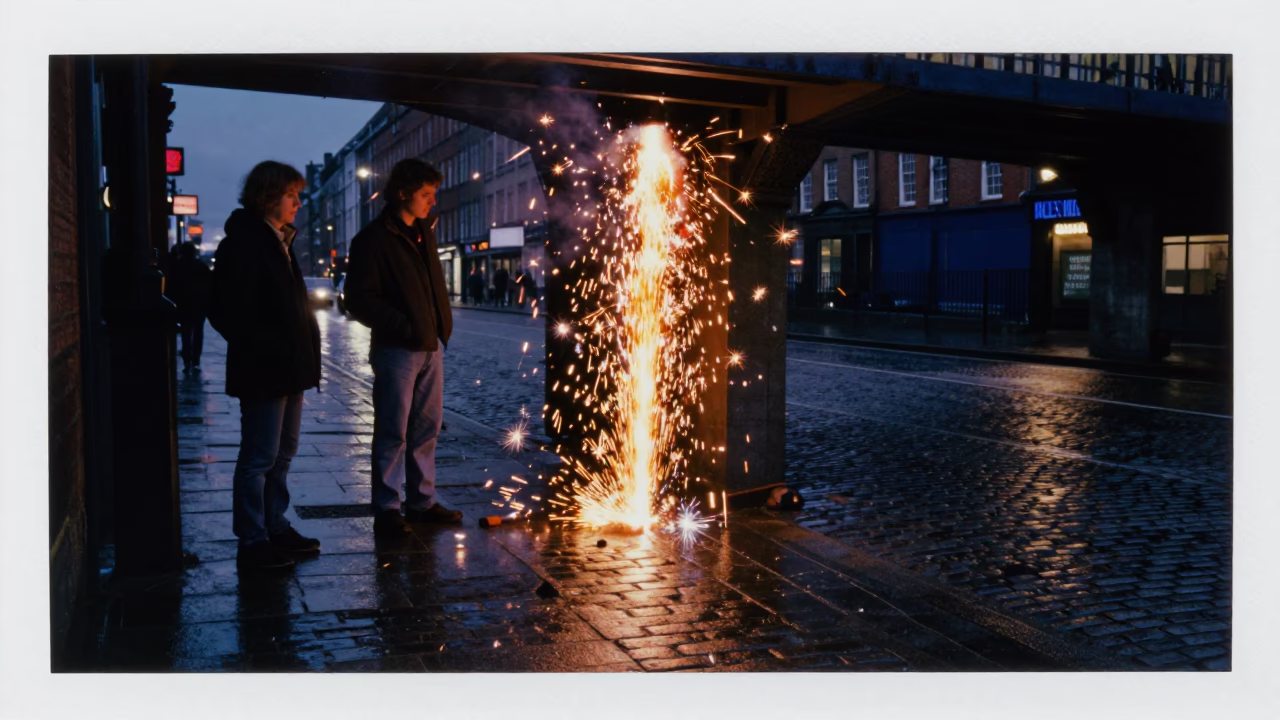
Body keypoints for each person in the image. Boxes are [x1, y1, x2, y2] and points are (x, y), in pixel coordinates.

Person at [208, 161, 322, 570]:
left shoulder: (280, 241)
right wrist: (266, 347)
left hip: (291, 368)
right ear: (268, 195)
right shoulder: (243, 242)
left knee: (283, 453)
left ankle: (275, 525)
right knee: (258, 456)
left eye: (298, 194)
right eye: (291, 194)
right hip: (265, 370)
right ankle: (253, 541)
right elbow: (224, 310)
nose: (298, 202)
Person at [344, 158, 462, 538]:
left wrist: (439, 325)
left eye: (433, 194)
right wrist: (404, 325)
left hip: (430, 345)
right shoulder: (372, 240)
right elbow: (359, 299)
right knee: (394, 429)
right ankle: (388, 506)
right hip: (397, 348)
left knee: (427, 428)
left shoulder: (425, 232)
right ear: (403, 193)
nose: (432, 202)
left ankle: (422, 502)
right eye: (426, 194)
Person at [167, 241, 212, 372]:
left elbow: (172, 287)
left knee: (186, 333)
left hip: (184, 304)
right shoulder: (201, 267)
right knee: (198, 332)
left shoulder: (177, 267)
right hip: (199, 305)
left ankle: (187, 359)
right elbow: (210, 286)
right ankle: (196, 360)